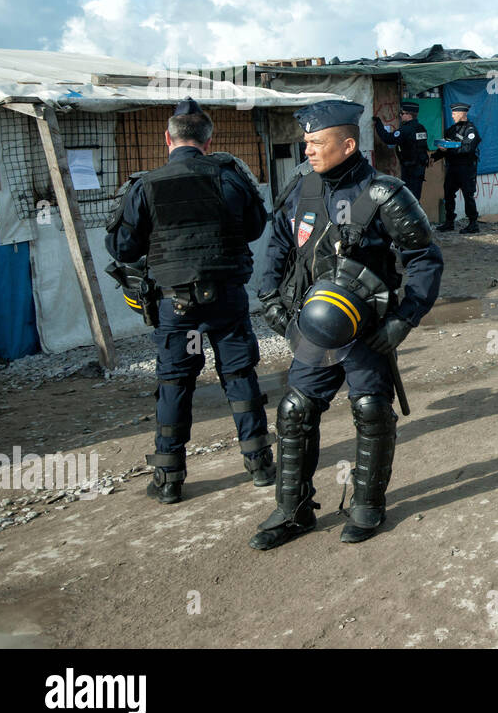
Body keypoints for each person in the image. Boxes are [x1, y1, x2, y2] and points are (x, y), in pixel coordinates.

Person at [253, 99, 443, 548]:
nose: (308, 151)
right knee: (294, 411)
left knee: (371, 411)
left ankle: (367, 506)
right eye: (306, 143)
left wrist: (403, 320)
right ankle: (292, 509)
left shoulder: (386, 193)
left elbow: (425, 260)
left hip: (367, 328)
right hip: (313, 326)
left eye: (317, 142)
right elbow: (278, 246)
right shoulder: (301, 187)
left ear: (349, 143)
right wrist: (269, 300)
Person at [105, 99, 274, 504]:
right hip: (226, 302)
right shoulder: (230, 176)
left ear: (168, 138)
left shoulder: (145, 185)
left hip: (176, 306)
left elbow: (122, 249)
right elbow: (254, 228)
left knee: (175, 383)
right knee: (239, 376)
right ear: (208, 138)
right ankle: (261, 466)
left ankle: (169, 479)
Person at [432, 101, 482, 233]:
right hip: (453, 168)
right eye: (452, 113)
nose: (452, 116)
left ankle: (473, 223)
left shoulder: (470, 130)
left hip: (466, 168)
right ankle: (449, 222)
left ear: (463, 114)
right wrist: (434, 157)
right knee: (448, 194)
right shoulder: (451, 130)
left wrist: (448, 150)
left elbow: (467, 148)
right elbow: (445, 146)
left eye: (455, 113)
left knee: (468, 196)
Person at [372, 101, 430, 201]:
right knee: (415, 196)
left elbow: (388, 138)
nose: (400, 115)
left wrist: (378, 123)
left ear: (409, 115)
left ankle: (414, 216)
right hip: (419, 167)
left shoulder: (406, 129)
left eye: (402, 113)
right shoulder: (421, 128)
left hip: (410, 168)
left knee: (409, 198)